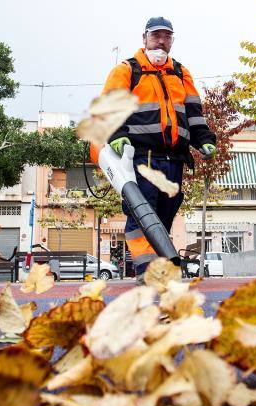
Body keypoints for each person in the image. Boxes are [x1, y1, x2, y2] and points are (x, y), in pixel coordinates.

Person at [101, 17, 217, 284]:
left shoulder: (180, 72)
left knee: (164, 215)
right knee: (142, 214)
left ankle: (160, 271)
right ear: (144, 38)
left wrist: (203, 139)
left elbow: (193, 112)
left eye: (167, 36)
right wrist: (116, 135)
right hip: (141, 158)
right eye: (156, 36)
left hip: (173, 159)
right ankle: (146, 272)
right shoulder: (127, 70)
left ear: (172, 40)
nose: (161, 41)